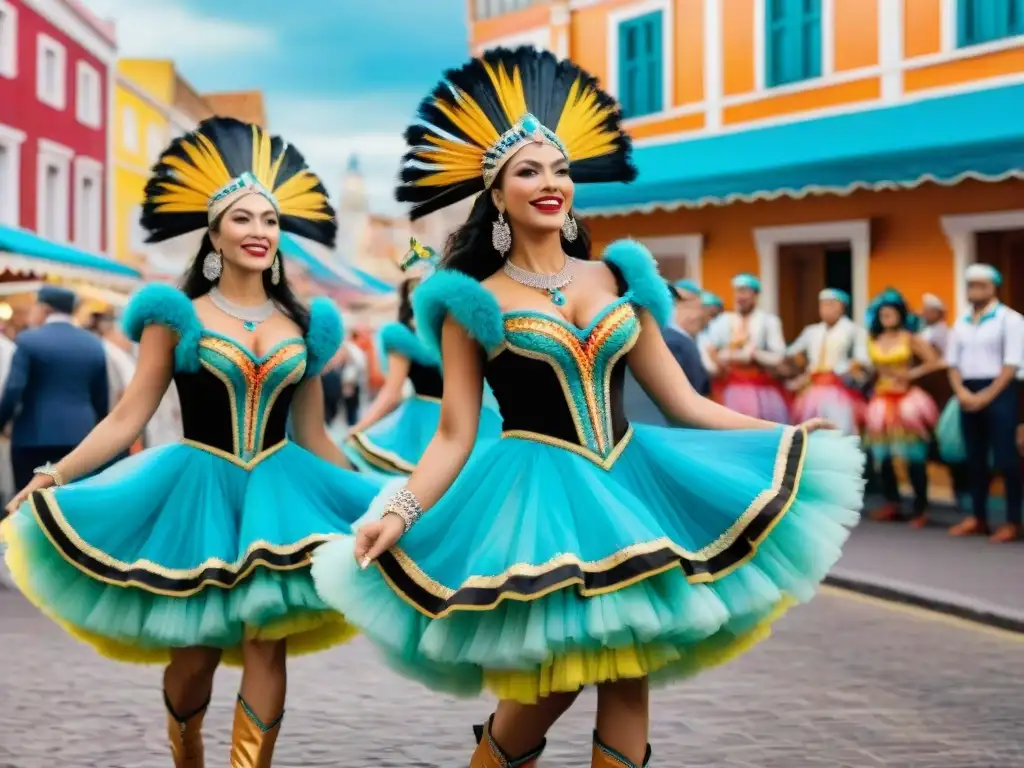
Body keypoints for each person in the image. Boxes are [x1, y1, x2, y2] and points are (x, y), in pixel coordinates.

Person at [310, 47, 863, 768]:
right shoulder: (469, 302)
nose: (550, 183)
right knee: (550, 688)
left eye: (560, 169)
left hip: (630, 485)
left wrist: (781, 435)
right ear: (497, 195)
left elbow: (683, 401)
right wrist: (399, 510)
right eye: (528, 171)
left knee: (629, 676)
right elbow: (453, 434)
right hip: (537, 500)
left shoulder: (618, 276)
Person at [0, 117, 384, 766]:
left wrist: (373, 503)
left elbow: (315, 433)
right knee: (196, 655)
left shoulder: (305, 324)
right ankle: (188, 751)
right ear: (214, 234)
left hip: (280, 497)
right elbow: (127, 416)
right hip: (197, 495)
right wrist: (55, 474)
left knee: (267, 641)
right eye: (243, 218)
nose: (259, 230)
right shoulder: (175, 318)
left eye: (270, 220)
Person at [342, 238, 502, 475]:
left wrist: (359, 428)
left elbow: (391, 394)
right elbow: (392, 393)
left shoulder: (450, 329)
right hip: (459, 422)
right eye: (417, 285)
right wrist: (359, 428)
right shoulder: (414, 334)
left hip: (451, 423)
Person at [0, 286, 109, 490]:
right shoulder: (94, 344)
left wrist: (2, 421)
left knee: (29, 500)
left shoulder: (28, 340)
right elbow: (101, 398)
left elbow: (14, 389)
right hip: (82, 438)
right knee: (72, 501)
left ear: (45, 309)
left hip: (33, 436)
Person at [943, 264, 1022, 542]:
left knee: (1006, 458)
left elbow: (1011, 365)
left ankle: (1013, 521)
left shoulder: (1010, 319)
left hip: (1000, 390)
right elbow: (952, 363)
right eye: (971, 285)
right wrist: (962, 393)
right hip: (967, 390)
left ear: (993, 287)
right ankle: (977, 517)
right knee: (973, 457)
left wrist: (986, 397)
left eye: (981, 285)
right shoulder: (961, 322)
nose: (975, 290)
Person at [862, 289, 944, 526]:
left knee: (914, 455)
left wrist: (911, 374)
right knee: (883, 457)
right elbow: (872, 370)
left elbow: (935, 361)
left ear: (900, 315)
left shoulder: (910, 338)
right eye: (883, 314)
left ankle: (920, 508)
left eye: (891, 313)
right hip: (881, 401)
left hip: (907, 402)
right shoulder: (873, 339)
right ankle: (892, 503)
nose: (887, 317)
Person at [701, 274, 790, 422]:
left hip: (762, 390)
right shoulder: (724, 320)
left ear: (755, 295)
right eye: (737, 291)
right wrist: (721, 360)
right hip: (729, 387)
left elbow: (779, 356)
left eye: (744, 291)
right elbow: (711, 349)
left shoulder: (768, 321)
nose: (740, 296)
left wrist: (755, 355)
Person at [786, 289, 871, 437]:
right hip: (813, 387)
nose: (826, 308)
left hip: (840, 387)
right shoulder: (812, 331)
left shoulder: (854, 330)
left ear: (841, 307)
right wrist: (798, 361)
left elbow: (863, 358)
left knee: (840, 429)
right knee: (811, 430)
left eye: (831, 304)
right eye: (823, 304)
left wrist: (850, 367)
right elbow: (790, 352)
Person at [624, 279, 709, 426]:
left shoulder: (676, 339)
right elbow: (682, 400)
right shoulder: (674, 343)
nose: (700, 315)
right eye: (698, 307)